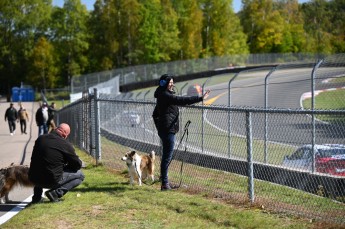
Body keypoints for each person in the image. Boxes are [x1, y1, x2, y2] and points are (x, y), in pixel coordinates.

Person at [152, 74, 210, 191]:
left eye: (173, 82)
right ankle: (164, 184)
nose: (172, 84)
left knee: (166, 157)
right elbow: (181, 100)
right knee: (167, 157)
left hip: (165, 129)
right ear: (165, 84)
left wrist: (159, 127)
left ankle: (165, 182)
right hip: (168, 130)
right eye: (170, 83)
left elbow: (155, 114)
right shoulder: (165, 95)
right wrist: (200, 98)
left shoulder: (161, 95)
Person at [28, 123, 85, 203]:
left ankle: (36, 197)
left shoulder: (40, 139)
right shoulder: (64, 144)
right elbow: (77, 164)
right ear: (65, 134)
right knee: (80, 175)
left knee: (40, 164)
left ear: (56, 129)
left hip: (33, 178)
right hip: (50, 180)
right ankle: (55, 193)